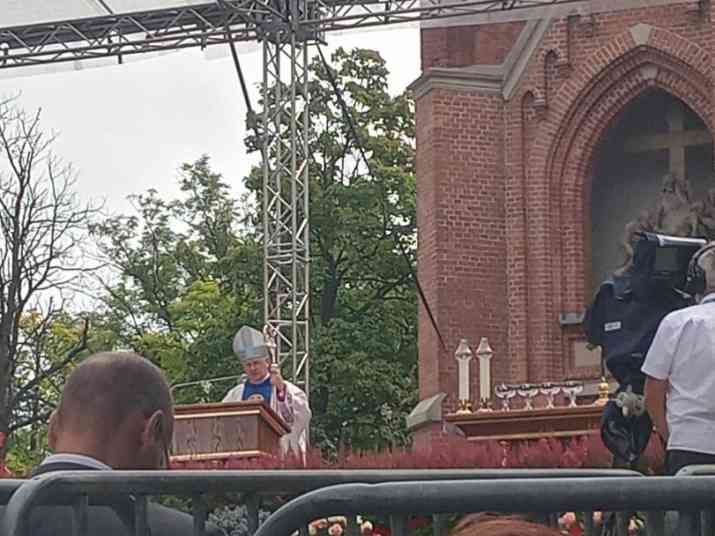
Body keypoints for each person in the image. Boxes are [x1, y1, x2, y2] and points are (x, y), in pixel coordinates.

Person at [10, 352, 224, 536]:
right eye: (164, 453)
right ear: (152, 430)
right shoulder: (188, 532)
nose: (166, 467)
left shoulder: (9, 512)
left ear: (52, 429)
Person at [642, 242, 715, 475]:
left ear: (696, 282)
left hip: (690, 444)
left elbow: (653, 392)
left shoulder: (676, 322)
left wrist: (671, 435)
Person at [223, 326, 311, 456]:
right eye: (248, 365)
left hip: (277, 453)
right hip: (245, 452)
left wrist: (281, 391)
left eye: (256, 363)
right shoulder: (236, 394)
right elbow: (223, 423)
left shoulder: (284, 388)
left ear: (267, 362)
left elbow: (300, 417)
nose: (252, 368)